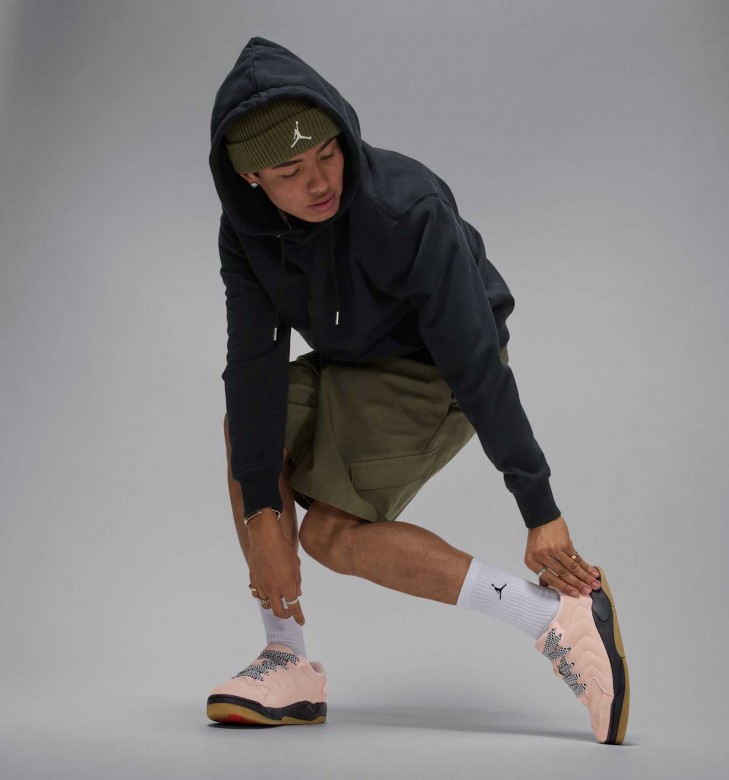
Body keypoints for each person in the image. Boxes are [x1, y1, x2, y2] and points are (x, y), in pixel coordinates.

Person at [205, 37, 629, 744]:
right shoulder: (245, 232)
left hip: (438, 370)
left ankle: (552, 616)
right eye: (290, 171)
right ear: (251, 178)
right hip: (353, 364)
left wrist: (540, 508)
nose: (320, 182)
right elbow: (253, 364)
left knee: (330, 537)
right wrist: (260, 517)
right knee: (248, 433)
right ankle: (287, 658)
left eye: (328, 154)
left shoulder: (408, 209)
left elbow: (477, 363)